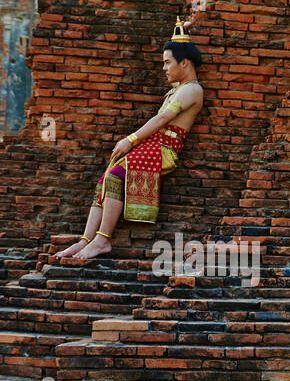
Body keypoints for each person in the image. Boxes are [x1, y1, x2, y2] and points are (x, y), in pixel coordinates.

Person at [53, 18, 205, 261]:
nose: (164, 68)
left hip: (164, 149)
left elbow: (161, 119)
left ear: (184, 63)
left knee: (114, 177)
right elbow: (180, 51)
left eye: (167, 63)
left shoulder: (193, 90)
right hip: (152, 145)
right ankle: (85, 240)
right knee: (104, 179)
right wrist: (183, 30)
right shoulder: (179, 87)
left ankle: (103, 240)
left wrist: (130, 140)